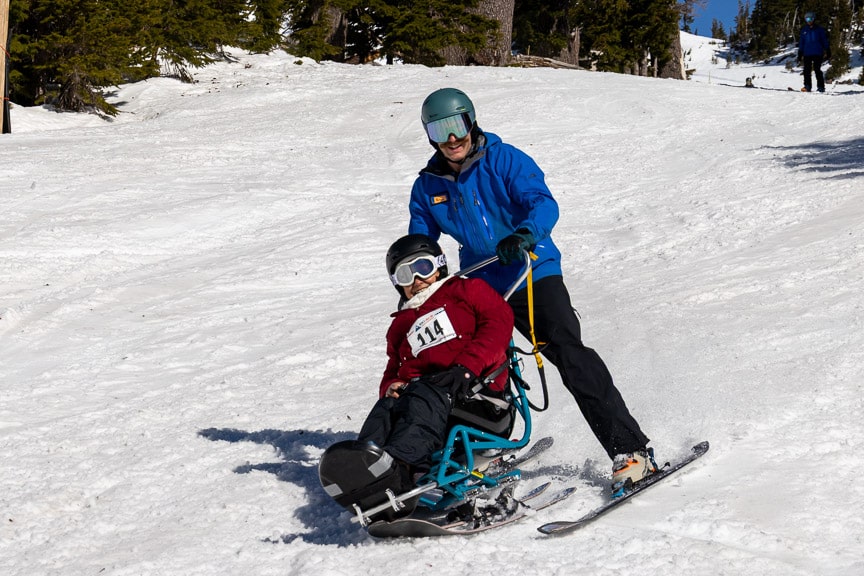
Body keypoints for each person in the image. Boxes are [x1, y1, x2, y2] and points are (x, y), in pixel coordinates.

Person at [407, 87, 655, 491]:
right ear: (429, 134)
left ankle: (630, 451)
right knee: (472, 366)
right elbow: (421, 242)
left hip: (530, 270)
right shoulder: (428, 186)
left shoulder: (505, 160)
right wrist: (416, 279)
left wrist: (525, 234)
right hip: (481, 284)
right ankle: (484, 450)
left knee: (569, 354)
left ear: (471, 121)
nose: (452, 138)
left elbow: (543, 204)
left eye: (458, 125)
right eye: (440, 129)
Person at [355, 233, 515, 486]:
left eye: (422, 267)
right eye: (406, 275)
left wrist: (466, 368)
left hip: (477, 397)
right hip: (427, 404)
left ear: (439, 265)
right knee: (386, 407)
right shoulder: (400, 325)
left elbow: (498, 324)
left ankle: (405, 468)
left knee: (424, 394)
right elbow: (392, 370)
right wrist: (391, 386)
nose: (417, 280)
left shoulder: (467, 290)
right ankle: (365, 467)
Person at [798, 12, 830, 93]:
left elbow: (824, 40)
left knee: (817, 69)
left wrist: (827, 49)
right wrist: (800, 52)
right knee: (806, 70)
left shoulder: (819, 29)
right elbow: (801, 42)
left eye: (810, 19)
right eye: (807, 19)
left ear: (814, 19)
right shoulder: (804, 30)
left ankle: (821, 87)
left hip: (817, 52)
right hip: (807, 53)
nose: (809, 21)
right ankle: (807, 86)